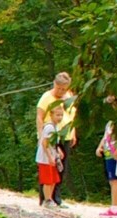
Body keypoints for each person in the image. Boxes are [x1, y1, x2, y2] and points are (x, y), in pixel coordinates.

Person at [35, 73, 78, 208]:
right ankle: (45, 198)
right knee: (47, 167)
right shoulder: (46, 97)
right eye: (58, 88)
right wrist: (41, 135)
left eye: (63, 89)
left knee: (60, 169)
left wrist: (73, 132)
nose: (61, 91)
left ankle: (57, 198)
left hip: (66, 135)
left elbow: (72, 115)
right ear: (54, 84)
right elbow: (40, 116)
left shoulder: (69, 96)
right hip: (51, 136)